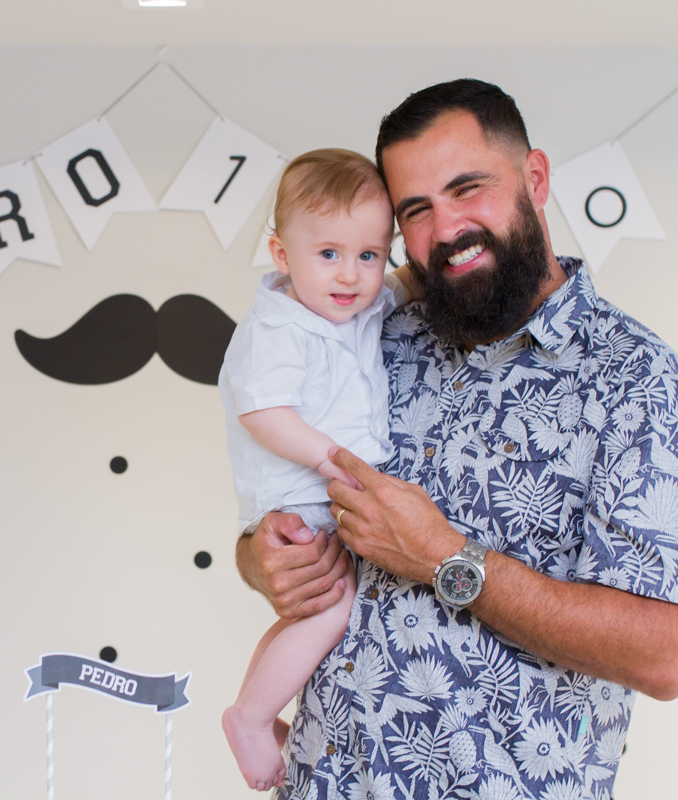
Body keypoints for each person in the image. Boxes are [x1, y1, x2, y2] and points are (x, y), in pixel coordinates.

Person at [235, 80, 678, 800]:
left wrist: (446, 559)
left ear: (535, 179)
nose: (448, 228)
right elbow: (275, 494)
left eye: (468, 189)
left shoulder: (642, 385)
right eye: (417, 210)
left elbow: (667, 656)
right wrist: (263, 558)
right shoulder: (374, 333)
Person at [218, 149, 417, 790]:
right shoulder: (279, 327)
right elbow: (264, 412)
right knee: (334, 607)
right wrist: (332, 459)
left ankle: (250, 709)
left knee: (309, 614)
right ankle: (252, 717)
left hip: (323, 486)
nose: (351, 274)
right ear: (282, 255)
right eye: (328, 253)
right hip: (302, 490)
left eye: (369, 254)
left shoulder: (353, 305)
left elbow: (404, 285)